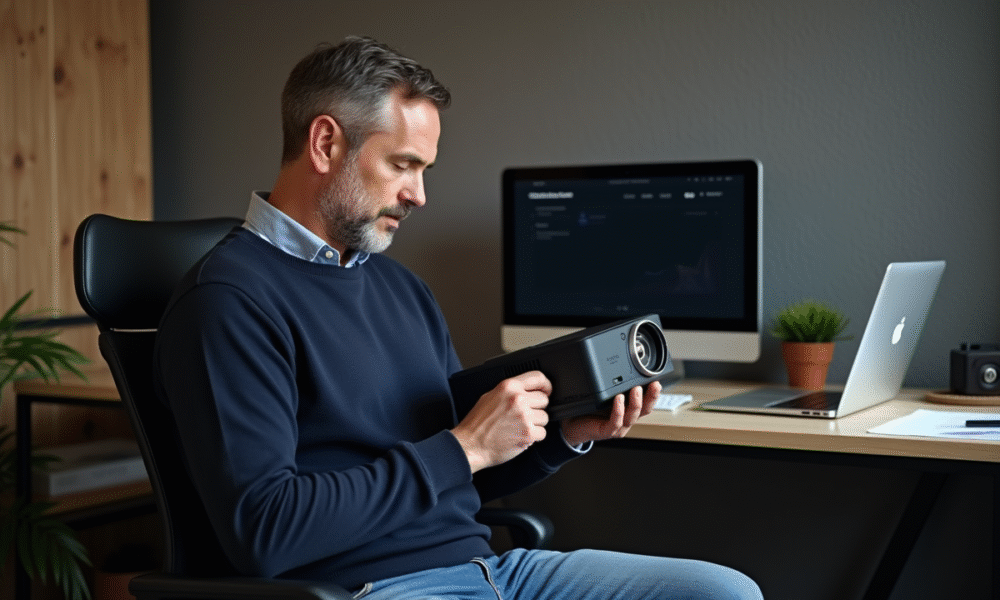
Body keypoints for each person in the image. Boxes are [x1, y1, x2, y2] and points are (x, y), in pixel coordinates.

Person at [154, 36, 764, 600]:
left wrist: (564, 436)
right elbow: (265, 530)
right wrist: (465, 445)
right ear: (325, 143)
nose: (419, 195)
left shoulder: (400, 288)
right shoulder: (229, 301)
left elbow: (460, 476)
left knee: (726, 593)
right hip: (365, 588)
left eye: (424, 170)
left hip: (492, 572)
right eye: (402, 165)